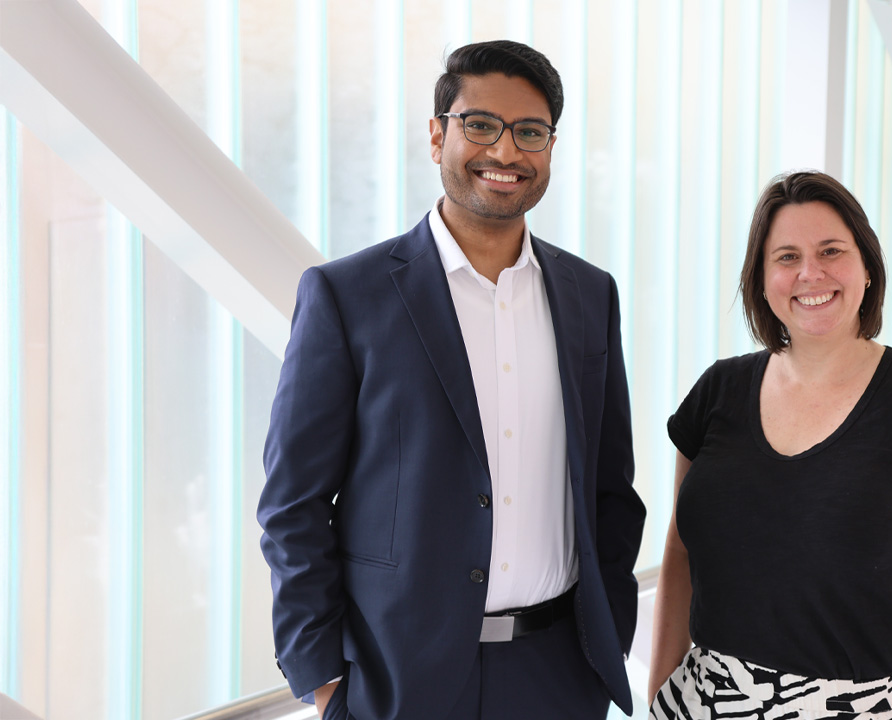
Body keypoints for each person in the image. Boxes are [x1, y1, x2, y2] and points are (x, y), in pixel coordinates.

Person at [258, 40, 646, 720]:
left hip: (557, 675)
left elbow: (611, 489)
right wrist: (321, 678)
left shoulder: (590, 295)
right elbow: (294, 504)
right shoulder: (348, 296)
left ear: (550, 146)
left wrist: (606, 638)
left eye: (529, 131)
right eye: (480, 125)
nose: (505, 151)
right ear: (438, 134)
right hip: (399, 677)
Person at [647, 171, 892, 719]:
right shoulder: (716, 392)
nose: (809, 274)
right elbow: (680, 552)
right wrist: (661, 691)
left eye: (830, 251)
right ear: (761, 278)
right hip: (706, 702)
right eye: (786, 257)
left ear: (867, 268)